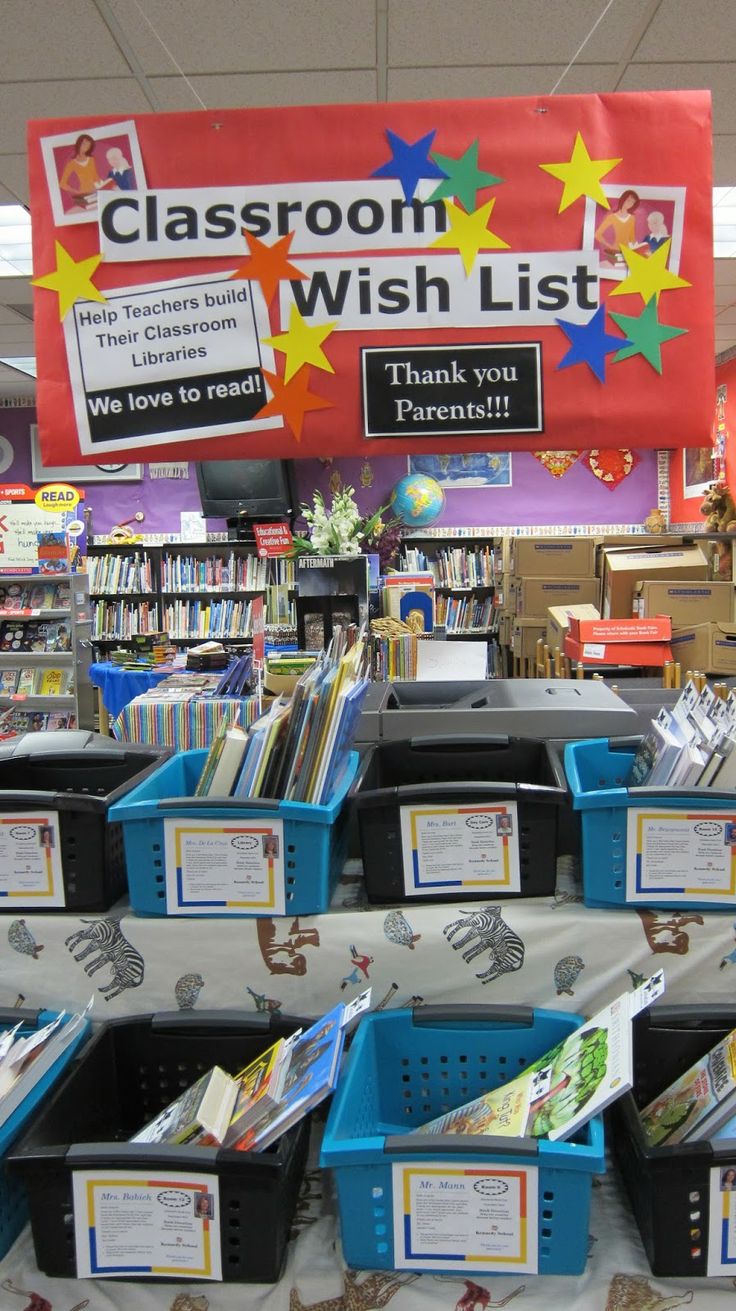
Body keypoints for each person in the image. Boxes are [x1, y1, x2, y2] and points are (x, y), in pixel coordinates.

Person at [595, 190, 641, 263]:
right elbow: (597, 234)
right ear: (623, 199)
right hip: (615, 252)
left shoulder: (632, 218)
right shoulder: (612, 217)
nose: (630, 204)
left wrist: (639, 251)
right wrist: (610, 246)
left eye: (632, 202)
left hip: (628, 252)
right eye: (628, 200)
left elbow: (632, 238)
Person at [58, 134, 103, 207]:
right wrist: (77, 192)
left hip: (96, 191)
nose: (85, 147)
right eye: (84, 144)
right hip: (84, 195)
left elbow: (95, 176)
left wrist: (102, 185)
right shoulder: (72, 164)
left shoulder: (91, 159)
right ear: (79, 143)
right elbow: (62, 184)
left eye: (88, 146)